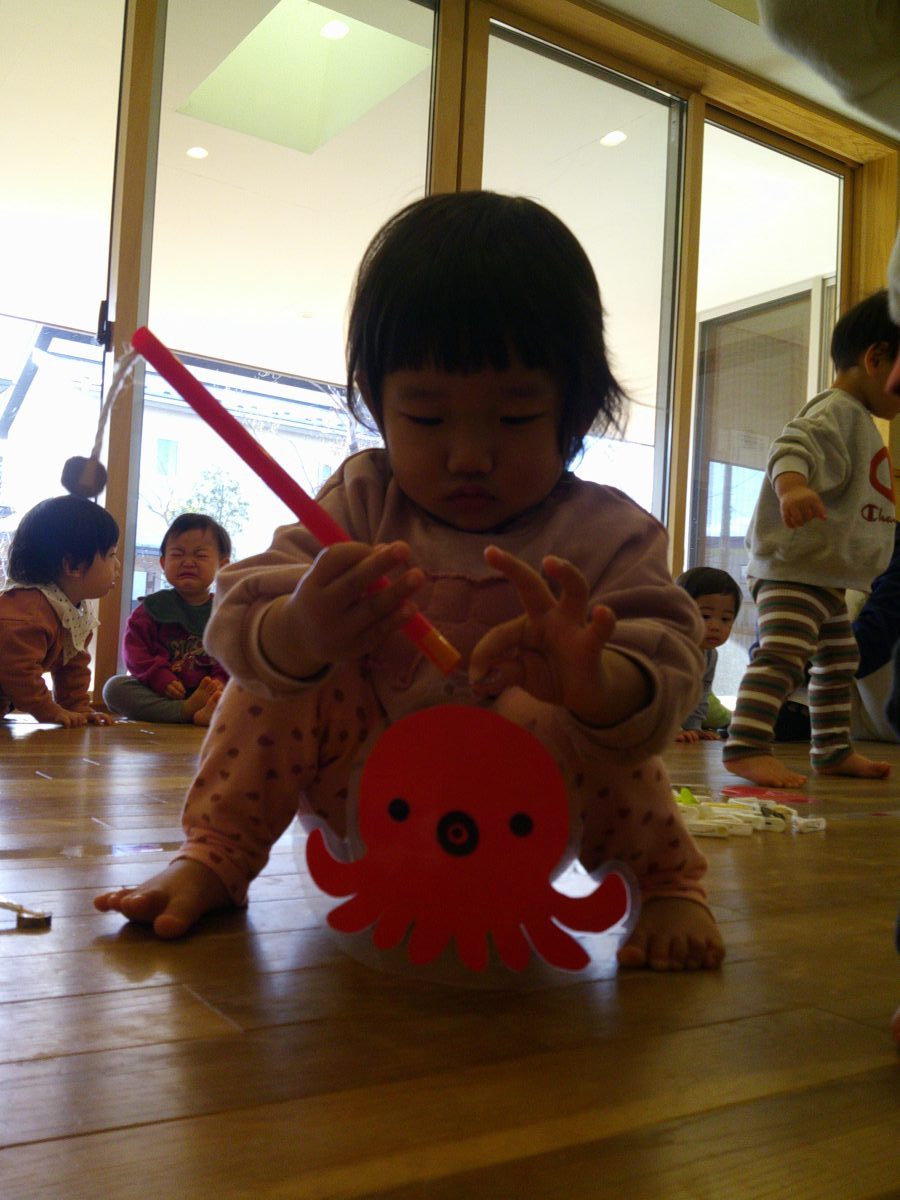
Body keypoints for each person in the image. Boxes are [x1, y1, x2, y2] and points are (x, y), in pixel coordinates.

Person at [95, 190, 722, 972]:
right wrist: (301, 629)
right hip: (372, 797)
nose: (469, 455)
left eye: (516, 416)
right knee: (286, 674)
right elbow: (239, 620)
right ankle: (216, 854)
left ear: (576, 407)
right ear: (375, 400)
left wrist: (598, 681)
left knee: (575, 706)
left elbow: (673, 665)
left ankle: (667, 883)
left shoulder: (608, 533)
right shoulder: (361, 499)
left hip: (530, 806)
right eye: (426, 417)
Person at [723, 290, 900, 789]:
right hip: (793, 572)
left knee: (840, 661)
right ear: (876, 358)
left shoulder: (860, 421)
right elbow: (791, 445)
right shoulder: (838, 410)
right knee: (783, 654)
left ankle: (832, 750)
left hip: (822, 578)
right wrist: (793, 487)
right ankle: (746, 745)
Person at [0, 495, 120, 726]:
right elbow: (17, 671)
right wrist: (50, 711)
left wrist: (76, 707)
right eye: (111, 555)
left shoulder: (72, 610)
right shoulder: (28, 612)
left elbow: (73, 665)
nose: (117, 565)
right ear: (73, 566)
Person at [102, 513, 232, 726]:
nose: (188, 562)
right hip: (163, 691)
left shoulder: (226, 613)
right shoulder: (151, 608)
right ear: (163, 562)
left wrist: (218, 683)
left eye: (200, 555)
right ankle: (186, 711)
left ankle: (204, 708)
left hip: (212, 692)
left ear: (223, 565)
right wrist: (159, 677)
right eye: (177, 554)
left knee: (253, 687)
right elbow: (135, 652)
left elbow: (232, 657)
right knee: (114, 689)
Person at [674, 566, 741, 743]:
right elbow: (661, 694)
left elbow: (701, 694)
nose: (716, 626)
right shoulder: (671, 649)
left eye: (725, 619)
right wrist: (671, 729)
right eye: (705, 616)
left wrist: (694, 727)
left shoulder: (710, 655)